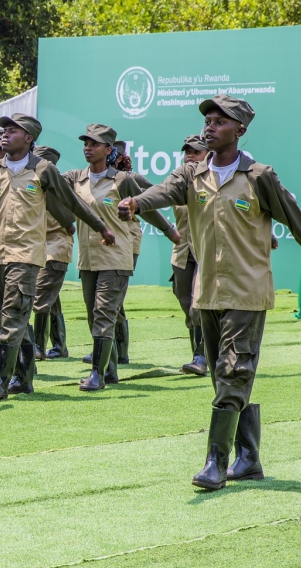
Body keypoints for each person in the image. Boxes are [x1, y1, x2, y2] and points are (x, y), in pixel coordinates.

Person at [118, 95, 301, 491]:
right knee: (223, 377)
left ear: (240, 130)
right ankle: (248, 457)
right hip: (208, 292)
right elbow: (161, 193)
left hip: (248, 292)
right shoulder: (191, 174)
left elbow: (294, 220)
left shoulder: (259, 176)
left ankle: (215, 462)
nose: (210, 127)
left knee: (234, 372)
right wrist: (134, 202)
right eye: (208, 120)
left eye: (220, 121)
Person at [0, 113, 113, 400]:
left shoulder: (43, 169)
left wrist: (101, 227)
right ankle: (24, 379)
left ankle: (1, 379)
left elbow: (71, 202)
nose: (5, 134)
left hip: (27, 256)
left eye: (13, 131)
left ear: (28, 138)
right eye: (4, 130)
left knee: (12, 315)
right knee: (13, 315)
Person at [62, 125, 175, 390]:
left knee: (104, 314)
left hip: (116, 256)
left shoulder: (121, 181)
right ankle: (109, 369)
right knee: (93, 315)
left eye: (94, 143)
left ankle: (97, 375)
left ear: (108, 150)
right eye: (86, 143)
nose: (87, 147)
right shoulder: (76, 179)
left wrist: (169, 231)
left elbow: (145, 208)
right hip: (88, 258)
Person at [28, 146, 74, 361]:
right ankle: (59, 344)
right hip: (39, 248)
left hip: (55, 247)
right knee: (50, 298)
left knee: (40, 299)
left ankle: (38, 346)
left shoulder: (60, 187)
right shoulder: (34, 185)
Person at [173, 134, 210, 376]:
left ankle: (201, 357)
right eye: (187, 151)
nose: (190, 155)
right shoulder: (178, 181)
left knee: (199, 305)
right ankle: (200, 353)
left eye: (196, 151)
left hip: (206, 252)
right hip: (181, 252)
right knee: (185, 301)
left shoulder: (214, 180)